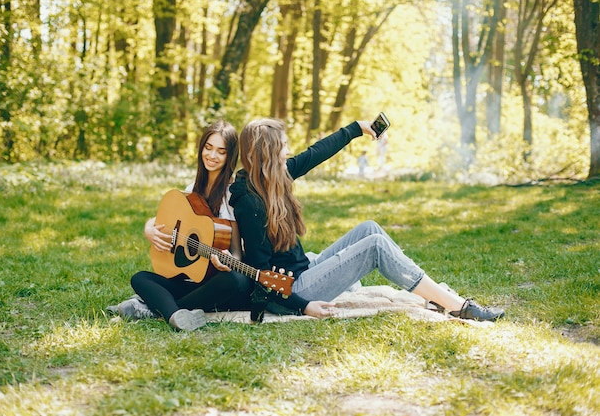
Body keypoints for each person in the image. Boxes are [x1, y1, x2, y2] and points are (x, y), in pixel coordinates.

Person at [228, 118, 505, 323]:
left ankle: (430, 291)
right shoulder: (249, 201)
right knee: (373, 246)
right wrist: (304, 307)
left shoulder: (275, 176)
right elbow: (260, 272)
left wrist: (357, 128)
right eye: (282, 147)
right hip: (292, 290)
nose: (288, 151)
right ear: (266, 153)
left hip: (305, 269)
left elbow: (317, 152)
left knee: (369, 228)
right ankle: (457, 305)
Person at [124, 120, 252, 330]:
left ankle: (159, 310)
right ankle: (176, 314)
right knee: (140, 278)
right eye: (208, 148)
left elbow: (238, 253)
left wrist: (229, 261)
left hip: (218, 281)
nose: (212, 156)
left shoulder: (233, 193)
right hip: (190, 280)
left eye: (221, 151)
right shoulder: (192, 189)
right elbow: (165, 219)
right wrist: (149, 229)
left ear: (230, 155)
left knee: (237, 281)